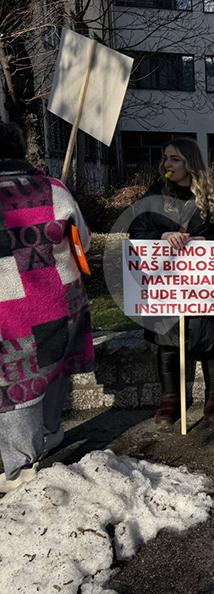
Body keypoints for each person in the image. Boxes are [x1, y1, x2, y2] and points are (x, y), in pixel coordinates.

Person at [0, 122, 94, 492]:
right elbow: (82, 240)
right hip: (58, 300)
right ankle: (51, 432)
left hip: (8, 309)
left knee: (14, 384)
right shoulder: (54, 189)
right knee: (51, 370)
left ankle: (19, 466)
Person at [129, 138, 214, 425]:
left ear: (189, 161)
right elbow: (136, 231)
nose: (167, 164)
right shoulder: (155, 195)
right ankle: (170, 399)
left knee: (209, 338)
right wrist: (161, 237)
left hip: (204, 285)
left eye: (175, 159)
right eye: (166, 158)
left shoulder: (213, 196)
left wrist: (206, 243)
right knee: (167, 341)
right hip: (167, 285)